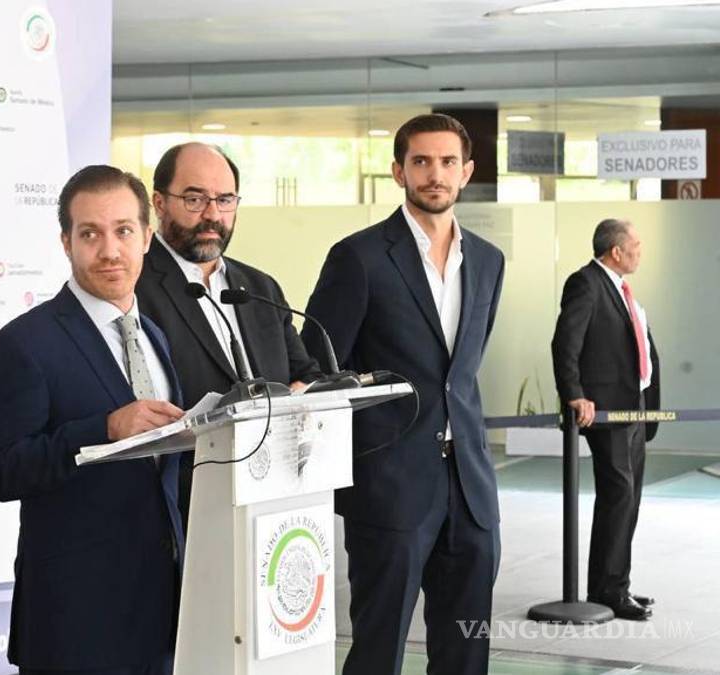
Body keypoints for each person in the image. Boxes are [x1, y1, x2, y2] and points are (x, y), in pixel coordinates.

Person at [302, 114, 505, 675]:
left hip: (471, 488)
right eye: (421, 161)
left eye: (447, 162)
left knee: (467, 649)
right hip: (389, 488)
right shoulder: (359, 257)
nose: (435, 174)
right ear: (399, 171)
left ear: (466, 172)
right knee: (379, 648)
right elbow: (317, 364)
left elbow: (460, 372)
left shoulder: (488, 260)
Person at [0, 164, 186, 675]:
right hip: (76, 620)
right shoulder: (23, 344)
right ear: (66, 243)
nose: (110, 251)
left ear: (147, 238)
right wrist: (105, 430)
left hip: (162, 613)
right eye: (90, 234)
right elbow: (3, 471)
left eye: (124, 231)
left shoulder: (155, 336)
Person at [135, 142, 325, 525]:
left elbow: (307, 373)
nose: (212, 215)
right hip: (179, 510)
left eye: (225, 200)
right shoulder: (134, 288)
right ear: (159, 203)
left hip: (270, 501)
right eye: (194, 199)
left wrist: (303, 394)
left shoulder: (259, 287)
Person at [552, 218, 660, 621]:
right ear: (616, 251)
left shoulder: (621, 289)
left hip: (634, 409)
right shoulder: (586, 284)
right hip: (607, 411)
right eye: (636, 245)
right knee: (618, 497)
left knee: (628, 500)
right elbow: (565, 343)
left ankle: (614, 585)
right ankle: (610, 590)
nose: (640, 252)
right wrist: (574, 394)